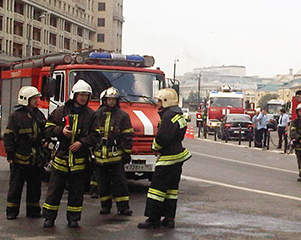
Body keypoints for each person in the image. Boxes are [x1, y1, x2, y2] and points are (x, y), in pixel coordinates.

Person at [42, 80, 95, 228]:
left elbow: (96, 134)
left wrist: (81, 143)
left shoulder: (91, 115)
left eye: (86, 95)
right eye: (81, 95)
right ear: (74, 95)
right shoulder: (61, 111)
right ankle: (49, 218)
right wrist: (61, 131)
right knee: (54, 190)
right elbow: (47, 128)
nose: (83, 98)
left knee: (76, 192)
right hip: (61, 158)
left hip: (79, 160)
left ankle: (73, 218)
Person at [138, 88, 191, 229]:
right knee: (171, 190)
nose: (157, 104)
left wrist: (155, 146)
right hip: (177, 156)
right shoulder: (178, 115)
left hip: (168, 157)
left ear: (166, 102)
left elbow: (162, 137)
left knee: (156, 189)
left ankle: (153, 219)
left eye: (160, 101)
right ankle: (169, 218)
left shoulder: (168, 116)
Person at [3, 86, 47, 219]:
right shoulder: (16, 116)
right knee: (16, 186)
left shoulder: (38, 114)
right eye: (34, 99)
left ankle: (33, 211)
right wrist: (10, 155)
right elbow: (9, 137)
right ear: (26, 99)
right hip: (19, 159)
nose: (36, 101)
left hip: (36, 159)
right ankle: (12, 211)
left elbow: (45, 130)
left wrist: (46, 140)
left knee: (35, 187)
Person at [90, 87, 134, 216]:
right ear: (104, 100)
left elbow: (128, 135)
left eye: (113, 100)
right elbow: (92, 133)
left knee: (120, 183)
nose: (111, 102)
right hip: (99, 156)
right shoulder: (97, 114)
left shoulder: (122, 116)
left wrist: (126, 152)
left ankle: (123, 207)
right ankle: (105, 206)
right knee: (102, 184)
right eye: (109, 99)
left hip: (115, 157)